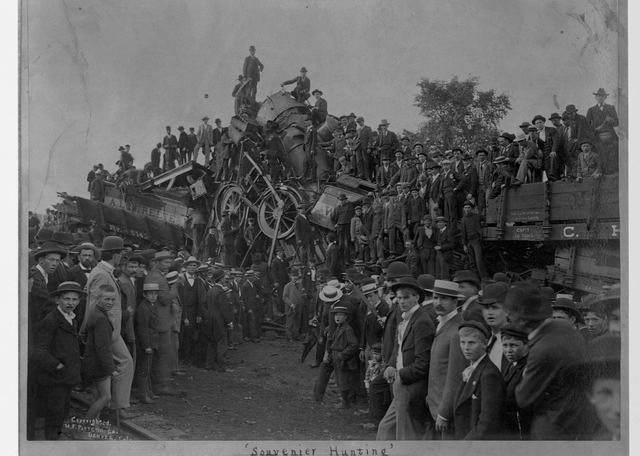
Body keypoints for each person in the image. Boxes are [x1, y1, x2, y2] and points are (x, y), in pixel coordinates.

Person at [504, 284, 596, 439]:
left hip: (553, 426)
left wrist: (524, 371)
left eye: (509, 317)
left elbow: (523, 398)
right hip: (577, 420)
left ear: (522, 321)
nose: (507, 321)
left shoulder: (541, 351)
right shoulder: (563, 327)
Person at [80, 236, 134, 418]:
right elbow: (94, 305)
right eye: (121, 254)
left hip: (109, 329)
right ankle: (117, 406)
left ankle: (112, 404)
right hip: (106, 330)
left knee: (115, 365)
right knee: (125, 362)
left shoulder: (103, 272)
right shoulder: (102, 274)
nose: (121, 258)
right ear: (116, 255)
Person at [376, 276, 435, 440]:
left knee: (404, 434)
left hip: (410, 385)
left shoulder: (422, 321)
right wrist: (390, 365)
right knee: (385, 428)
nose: (401, 301)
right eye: (399, 298)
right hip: (401, 381)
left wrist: (400, 375)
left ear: (416, 297)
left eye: (406, 297)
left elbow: (423, 363)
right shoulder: (405, 318)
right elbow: (398, 347)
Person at [29, 281, 83, 440]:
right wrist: (57, 365)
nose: (70, 303)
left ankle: (56, 437)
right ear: (57, 300)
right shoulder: (51, 319)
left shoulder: (72, 318)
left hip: (67, 376)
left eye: (74, 299)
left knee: (62, 411)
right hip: (56, 377)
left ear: (79, 301)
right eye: (66, 299)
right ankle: (51, 442)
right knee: (54, 412)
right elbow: (39, 350)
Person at [425, 280, 466, 439]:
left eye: (444, 299)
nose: (438, 303)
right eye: (435, 298)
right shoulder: (440, 323)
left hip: (446, 411)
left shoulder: (457, 331)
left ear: (455, 302)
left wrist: (444, 412)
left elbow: (455, 377)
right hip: (434, 404)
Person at [452, 320, 505, 440]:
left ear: (485, 343)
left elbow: (488, 420)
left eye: (471, 343)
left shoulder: (489, 374)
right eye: (463, 342)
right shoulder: (472, 369)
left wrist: (467, 444)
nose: (466, 348)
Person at [83, 284, 117, 419]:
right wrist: (111, 369)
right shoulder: (101, 318)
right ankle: (86, 425)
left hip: (92, 361)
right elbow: (103, 347)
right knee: (106, 397)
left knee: (96, 396)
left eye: (112, 299)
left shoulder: (95, 311)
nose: (110, 302)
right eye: (106, 299)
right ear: (98, 298)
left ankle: (93, 426)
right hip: (99, 364)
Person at [500, 324, 532, 439]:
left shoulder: (529, 368)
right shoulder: (511, 364)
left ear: (526, 345)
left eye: (514, 345)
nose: (508, 350)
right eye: (505, 345)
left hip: (524, 429)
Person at [328, 305, 360, 409]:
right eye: (336, 315)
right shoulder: (339, 327)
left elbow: (354, 344)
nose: (337, 317)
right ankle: (344, 400)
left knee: (344, 380)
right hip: (337, 357)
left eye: (340, 315)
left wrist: (342, 355)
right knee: (339, 379)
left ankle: (346, 402)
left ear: (346, 317)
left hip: (344, 359)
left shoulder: (347, 329)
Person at [203, 268, 234, 371]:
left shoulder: (210, 291)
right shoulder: (220, 292)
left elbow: (205, 305)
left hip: (210, 320)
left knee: (211, 343)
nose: (226, 278)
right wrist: (229, 321)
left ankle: (209, 364)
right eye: (224, 277)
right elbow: (224, 309)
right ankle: (222, 366)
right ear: (221, 279)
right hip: (219, 321)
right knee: (222, 343)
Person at [135, 283, 160, 403]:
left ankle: (149, 392)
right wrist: (147, 346)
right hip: (147, 343)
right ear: (145, 295)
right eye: (150, 294)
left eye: (155, 294)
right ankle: (143, 394)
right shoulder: (143, 308)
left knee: (148, 368)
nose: (153, 296)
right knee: (144, 370)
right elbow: (143, 328)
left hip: (152, 341)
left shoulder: (151, 306)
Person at [478, 282, 510, 371]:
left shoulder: (513, 340)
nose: (490, 313)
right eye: (486, 308)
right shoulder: (487, 339)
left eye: (495, 307)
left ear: (507, 310)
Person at [586, 88, 619, 175]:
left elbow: (616, 123)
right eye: (599, 96)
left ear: (605, 97)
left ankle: (612, 172)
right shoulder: (591, 110)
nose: (600, 98)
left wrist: (611, 120)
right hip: (597, 136)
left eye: (602, 96)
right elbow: (587, 126)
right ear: (596, 97)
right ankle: (602, 171)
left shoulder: (611, 108)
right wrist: (595, 129)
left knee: (614, 151)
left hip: (610, 135)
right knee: (600, 153)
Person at [460, 201, 488, 279]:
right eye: (465, 208)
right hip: (469, 242)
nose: (467, 209)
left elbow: (487, 219)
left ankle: (484, 278)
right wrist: (464, 245)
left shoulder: (477, 216)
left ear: (471, 209)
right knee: (472, 262)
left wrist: (483, 226)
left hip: (476, 241)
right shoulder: (463, 219)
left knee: (479, 260)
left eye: (469, 207)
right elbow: (463, 233)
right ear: (464, 209)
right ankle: (476, 278)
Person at [282, 269, 306, 341]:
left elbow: (302, 294)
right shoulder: (287, 286)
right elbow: (284, 297)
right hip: (291, 307)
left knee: (297, 322)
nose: (295, 277)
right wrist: (291, 304)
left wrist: (304, 296)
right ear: (290, 277)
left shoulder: (300, 285)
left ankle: (296, 336)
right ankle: (289, 337)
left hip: (299, 307)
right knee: (290, 323)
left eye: (296, 276)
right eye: (293, 276)